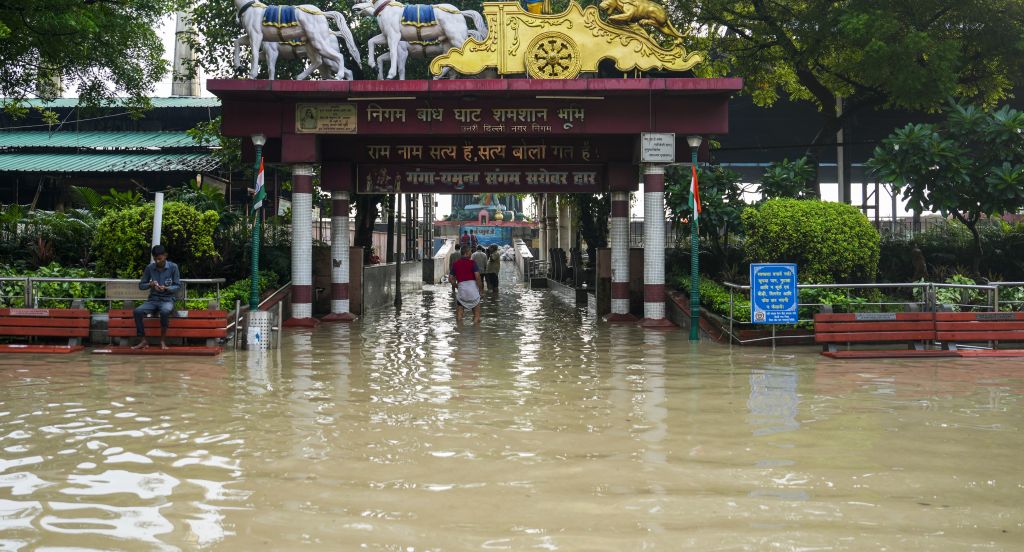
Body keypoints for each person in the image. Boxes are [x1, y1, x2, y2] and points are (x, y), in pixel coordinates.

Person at [132, 244, 181, 350]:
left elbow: (177, 285)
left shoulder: (173, 267)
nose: (157, 261)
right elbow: (141, 285)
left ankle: (162, 341)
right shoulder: (150, 268)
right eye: (155, 259)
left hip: (167, 300)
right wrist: (150, 285)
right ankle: (143, 340)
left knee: (165, 311)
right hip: (153, 300)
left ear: (165, 255)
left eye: (159, 259)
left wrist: (166, 288)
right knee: (137, 311)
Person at [449, 246, 482, 323]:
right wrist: (481, 289)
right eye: (470, 252)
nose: (471, 254)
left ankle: (460, 329)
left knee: (459, 315)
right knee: (477, 315)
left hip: (462, 291)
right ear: (466, 253)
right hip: (473, 291)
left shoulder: (455, 264)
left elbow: (450, 279)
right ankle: (476, 328)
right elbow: (477, 277)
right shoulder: (473, 263)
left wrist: (456, 286)